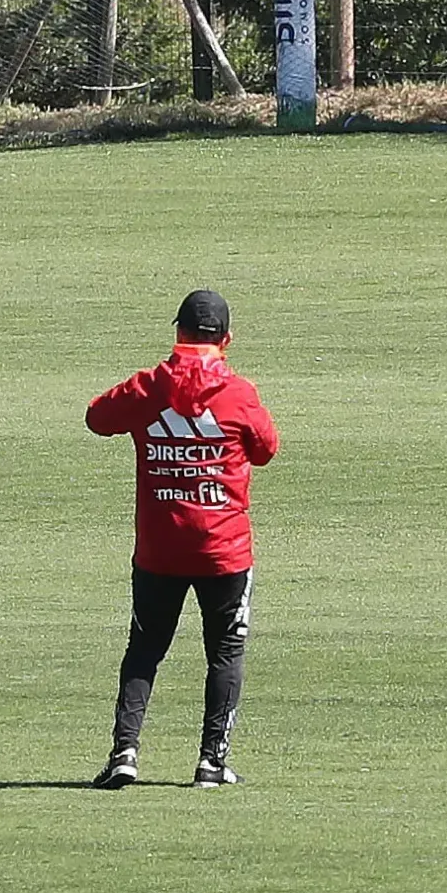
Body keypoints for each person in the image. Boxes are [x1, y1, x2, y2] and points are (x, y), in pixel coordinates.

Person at [85, 289, 279, 787]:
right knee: (225, 653)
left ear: (178, 333)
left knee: (144, 650)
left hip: (159, 549)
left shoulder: (149, 387)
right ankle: (212, 762)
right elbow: (266, 449)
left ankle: (125, 753)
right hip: (225, 549)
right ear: (228, 339)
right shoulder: (238, 393)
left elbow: (97, 418)